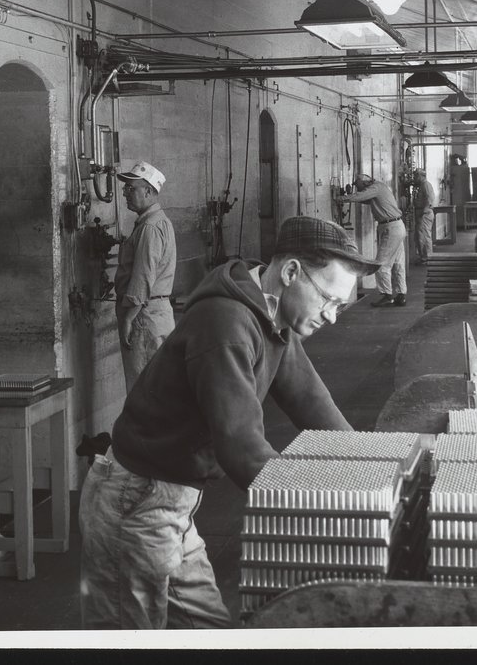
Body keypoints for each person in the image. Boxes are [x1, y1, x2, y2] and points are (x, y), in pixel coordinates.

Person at [79, 215, 380, 629]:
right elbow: (242, 446)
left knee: (210, 632)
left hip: (174, 502)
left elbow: (309, 399)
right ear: (291, 272)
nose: (331, 316)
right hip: (135, 501)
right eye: (328, 300)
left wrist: (375, 464)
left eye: (340, 306)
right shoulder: (226, 323)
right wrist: (334, 515)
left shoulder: (270, 313)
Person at [114, 161, 176, 391]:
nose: (125, 193)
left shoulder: (149, 228)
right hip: (156, 314)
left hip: (143, 317)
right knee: (159, 389)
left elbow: (143, 278)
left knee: (142, 390)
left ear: (148, 191)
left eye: (131, 188)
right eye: (125, 188)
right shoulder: (160, 222)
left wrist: (128, 319)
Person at [338, 173, 407, 306]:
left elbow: (360, 196)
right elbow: (364, 199)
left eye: (357, 184)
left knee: (380, 265)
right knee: (398, 263)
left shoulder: (376, 187)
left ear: (364, 182)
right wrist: (350, 197)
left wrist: (340, 198)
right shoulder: (378, 188)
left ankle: (387, 296)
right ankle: (401, 295)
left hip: (391, 228)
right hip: (396, 226)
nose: (357, 187)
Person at [409, 168, 436, 265]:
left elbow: (430, 198)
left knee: (425, 235)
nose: (415, 178)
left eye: (416, 175)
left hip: (425, 213)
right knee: (419, 236)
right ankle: (423, 257)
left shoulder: (426, 184)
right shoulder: (421, 185)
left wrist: (424, 211)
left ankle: (428, 257)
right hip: (421, 213)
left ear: (421, 176)